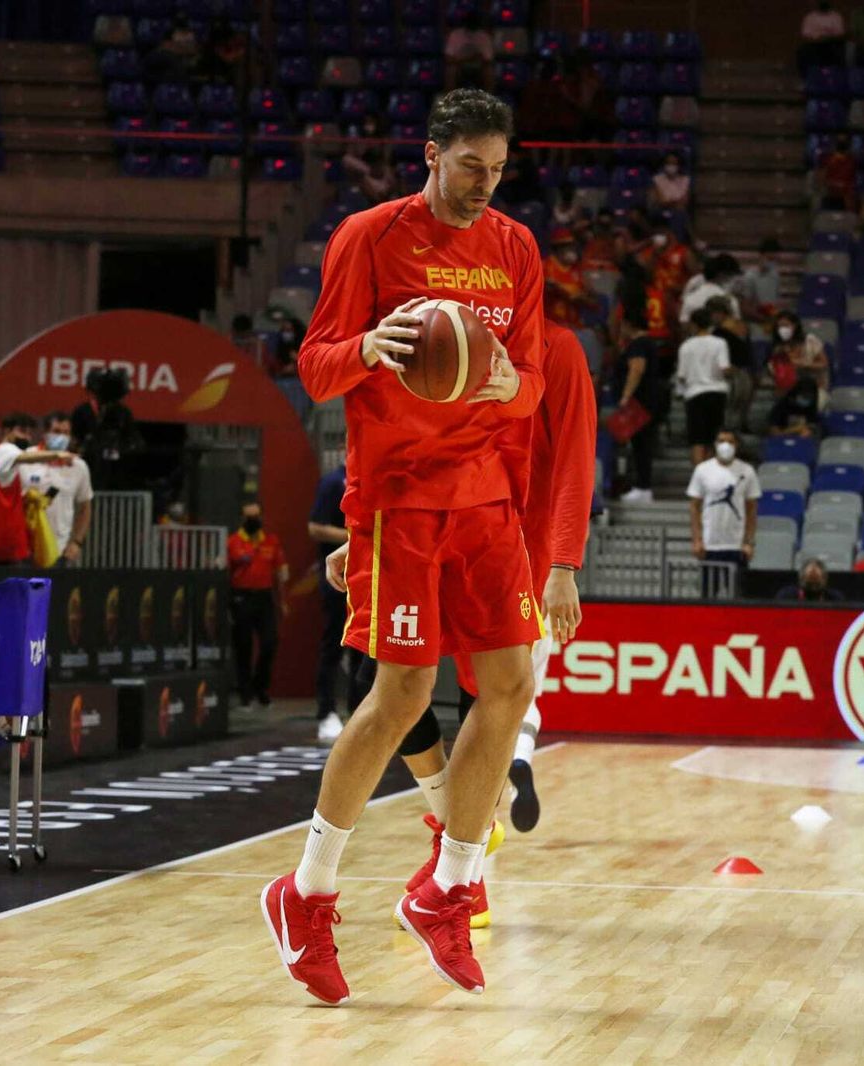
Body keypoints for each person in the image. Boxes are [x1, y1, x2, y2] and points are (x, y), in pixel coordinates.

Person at [263, 88, 547, 1005]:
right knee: (402, 695)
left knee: (510, 685)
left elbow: (532, 383)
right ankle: (305, 894)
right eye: (472, 168)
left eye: (499, 171)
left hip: (487, 495)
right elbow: (313, 366)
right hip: (396, 498)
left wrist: (507, 382)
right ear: (431, 155)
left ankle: (449, 888)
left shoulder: (515, 248)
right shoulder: (370, 236)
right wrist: (368, 347)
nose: (485, 185)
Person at [353, 320, 596, 928]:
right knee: (380, 674)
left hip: (515, 544)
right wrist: (365, 529)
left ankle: (464, 880)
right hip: (430, 526)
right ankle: (455, 828)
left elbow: (573, 460)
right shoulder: (445, 334)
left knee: (482, 703)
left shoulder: (558, 348)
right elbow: (411, 446)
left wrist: (563, 565)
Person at [309, 464, 368, 742]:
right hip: (338, 577)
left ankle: (358, 713)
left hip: (368, 576)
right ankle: (326, 713)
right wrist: (357, 537)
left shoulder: (373, 477)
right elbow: (315, 527)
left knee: (363, 647)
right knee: (333, 644)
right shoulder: (334, 481)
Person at [0, 413, 69, 568]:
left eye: (29, 433)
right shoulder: (5, 450)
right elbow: (25, 458)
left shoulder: (3, 458)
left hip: (1, 549)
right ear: (7, 431)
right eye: (21, 431)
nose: (26, 437)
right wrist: (57, 454)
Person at [227, 500, 288, 714]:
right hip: (241, 598)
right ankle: (245, 694)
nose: (252, 520)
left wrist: (283, 601)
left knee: (269, 643)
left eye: (255, 516)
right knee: (243, 647)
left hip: (264, 598)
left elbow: (281, 573)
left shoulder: (271, 542)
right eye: (248, 517)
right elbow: (225, 569)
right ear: (242, 519)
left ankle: (260, 687)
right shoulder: (233, 542)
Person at [19, 412, 94, 566]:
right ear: (45, 434)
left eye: (66, 433)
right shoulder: (25, 458)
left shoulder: (78, 466)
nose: (62, 437)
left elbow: (85, 507)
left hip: (59, 549)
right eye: (57, 432)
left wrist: (77, 543)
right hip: (25, 547)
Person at [687, 428, 759, 574]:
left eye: (730, 441)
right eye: (721, 441)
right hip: (710, 545)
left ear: (736, 445)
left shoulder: (747, 471)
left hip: (736, 545)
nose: (725, 445)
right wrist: (697, 539)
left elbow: (751, 509)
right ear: (715, 444)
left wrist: (748, 542)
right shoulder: (702, 470)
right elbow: (694, 507)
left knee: (738, 594)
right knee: (708, 594)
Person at [615, 311, 665, 502]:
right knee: (639, 444)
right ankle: (642, 485)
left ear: (629, 325)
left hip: (639, 403)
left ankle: (643, 486)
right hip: (645, 401)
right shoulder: (647, 344)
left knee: (641, 444)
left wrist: (626, 396)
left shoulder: (639, 345)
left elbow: (637, 369)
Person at [676, 308, 733, 466]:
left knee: (697, 439)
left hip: (695, 394)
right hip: (717, 392)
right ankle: (714, 474)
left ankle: (699, 478)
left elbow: (681, 375)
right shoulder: (719, 343)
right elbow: (725, 369)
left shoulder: (686, 346)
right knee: (714, 437)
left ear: (693, 324)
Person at [543, 228, 588, 329]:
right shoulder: (545, 266)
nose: (571, 249)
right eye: (566, 246)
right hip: (550, 323)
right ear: (557, 248)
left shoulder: (576, 269)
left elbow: (585, 294)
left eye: (572, 245)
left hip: (573, 324)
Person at [443, 12, 494, 91]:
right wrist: (469, 58)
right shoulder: (455, 35)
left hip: (478, 68)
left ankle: (489, 99)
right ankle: (450, 99)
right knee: (451, 70)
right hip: (459, 66)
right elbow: (448, 58)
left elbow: (488, 59)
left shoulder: (484, 36)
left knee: (489, 71)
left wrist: (476, 58)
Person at [797, 0, 846, 71]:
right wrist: (818, 40)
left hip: (832, 43)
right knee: (802, 51)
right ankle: (808, 76)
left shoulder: (836, 16)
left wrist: (827, 38)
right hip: (814, 44)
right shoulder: (810, 17)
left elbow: (840, 35)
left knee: (840, 49)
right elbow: (806, 36)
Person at [817, 135, 857, 211]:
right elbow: (821, 179)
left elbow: (852, 181)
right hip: (830, 192)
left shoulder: (851, 161)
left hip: (845, 194)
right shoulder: (828, 160)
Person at [777, 558, 844, 601]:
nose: (813, 587)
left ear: (824, 579)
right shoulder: (786, 597)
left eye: (816, 583)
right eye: (809, 583)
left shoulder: (835, 599)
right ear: (801, 578)